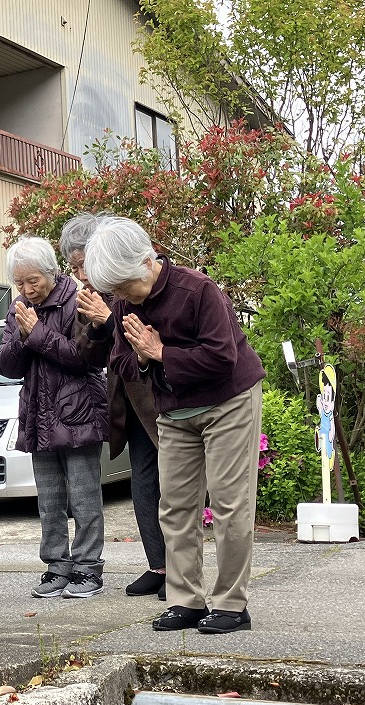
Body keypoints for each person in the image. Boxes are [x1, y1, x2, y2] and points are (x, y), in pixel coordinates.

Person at [84, 216, 266, 634]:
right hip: (173, 411)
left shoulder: (197, 290)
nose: (121, 298)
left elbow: (223, 357)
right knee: (175, 508)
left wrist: (161, 352)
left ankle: (231, 605)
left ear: (146, 262)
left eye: (124, 287)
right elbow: (120, 362)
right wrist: (142, 356)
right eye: (115, 291)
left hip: (227, 402)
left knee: (229, 505)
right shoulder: (126, 304)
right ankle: (186, 600)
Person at [0, 236, 109, 600]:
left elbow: (83, 358)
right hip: (38, 414)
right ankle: (57, 567)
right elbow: (5, 365)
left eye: (34, 281)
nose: (28, 290)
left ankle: (88, 568)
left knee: (84, 497)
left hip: (78, 411)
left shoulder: (78, 299)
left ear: (52, 272)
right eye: (20, 282)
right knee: (49, 499)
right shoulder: (19, 308)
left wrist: (37, 333)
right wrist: (22, 336)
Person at [61, 213, 167, 601]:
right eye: (74, 268)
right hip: (128, 404)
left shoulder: (136, 283)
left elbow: (149, 338)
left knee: (172, 487)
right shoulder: (88, 297)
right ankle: (158, 566)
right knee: (143, 485)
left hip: (159, 397)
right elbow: (87, 356)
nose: (81, 275)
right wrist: (96, 325)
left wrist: (109, 320)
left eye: (83, 264)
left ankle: (181, 570)